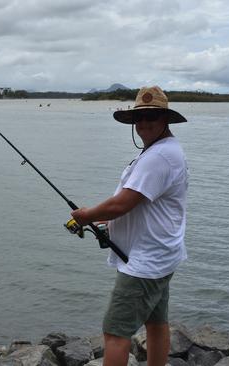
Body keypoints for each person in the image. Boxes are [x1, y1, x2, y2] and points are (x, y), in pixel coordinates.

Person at [71, 86, 188, 366]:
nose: (144, 124)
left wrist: (86, 215)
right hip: (161, 255)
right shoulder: (164, 150)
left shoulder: (159, 156)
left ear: (165, 119)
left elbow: (122, 203)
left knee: (115, 332)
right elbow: (141, 203)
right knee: (156, 322)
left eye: (152, 117)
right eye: (139, 118)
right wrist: (105, 219)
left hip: (144, 262)